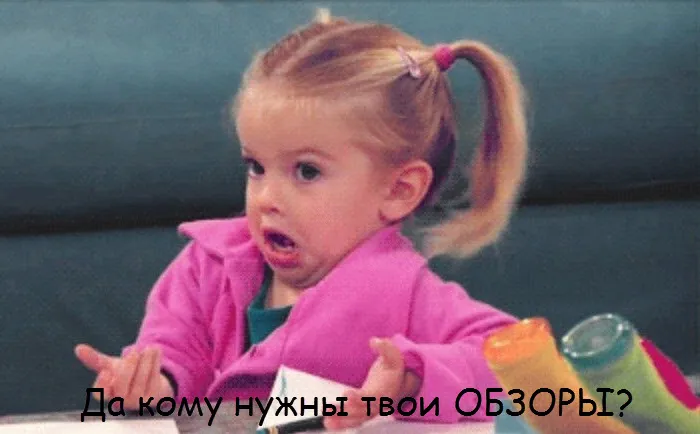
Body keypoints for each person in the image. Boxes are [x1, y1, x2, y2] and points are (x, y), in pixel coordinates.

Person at [74, 8, 528, 429]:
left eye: (307, 171)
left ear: (399, 191)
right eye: (256, 167)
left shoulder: (406, 294)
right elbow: (172, 353)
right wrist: (149, 385)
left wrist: (415, 376)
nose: (267, 198)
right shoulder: (205, 267)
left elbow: (517, 367)